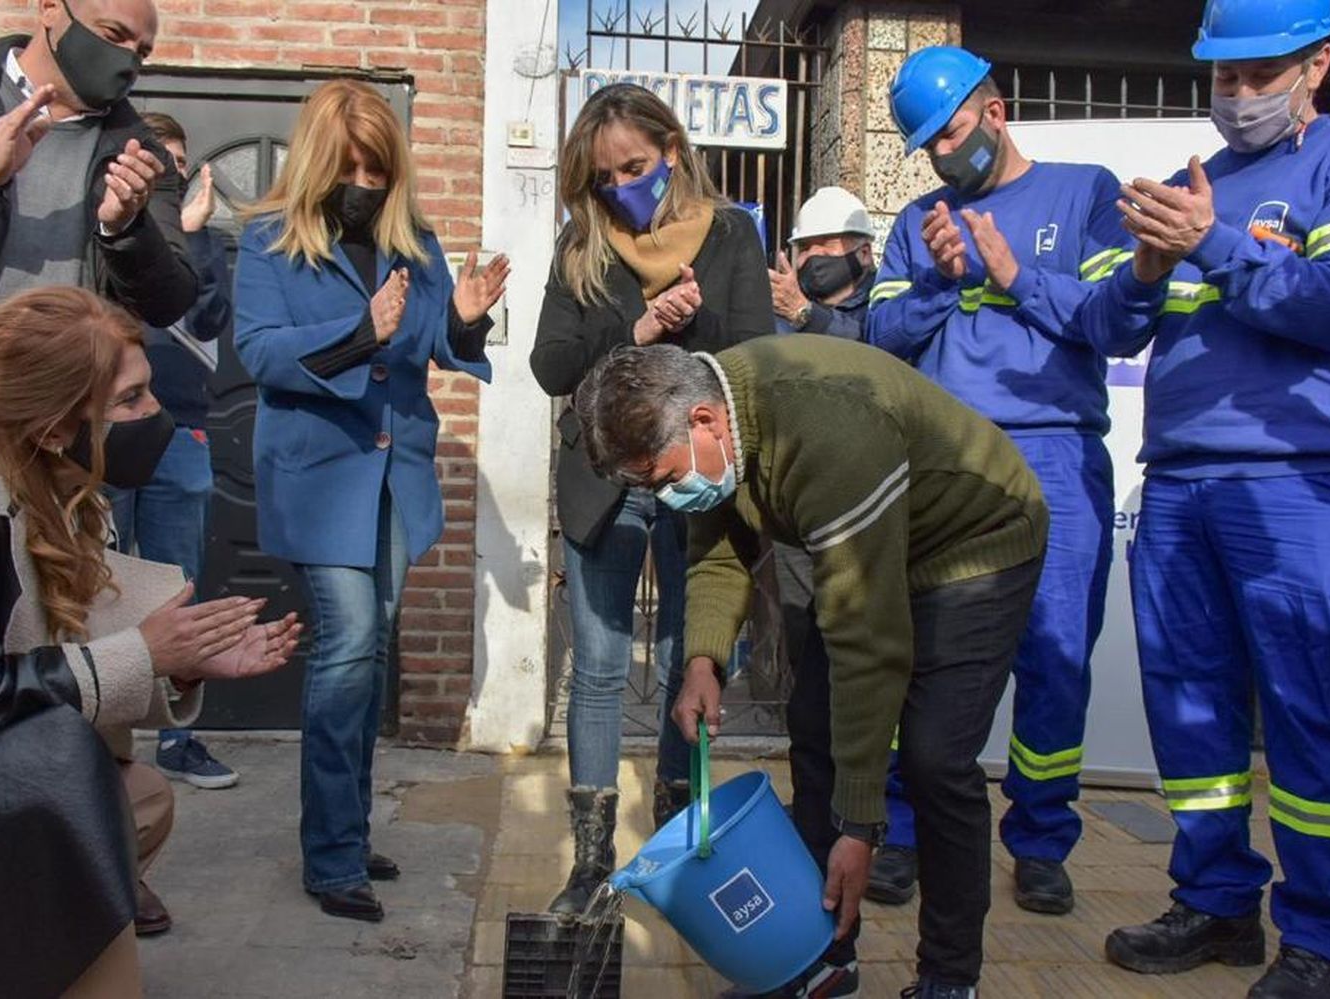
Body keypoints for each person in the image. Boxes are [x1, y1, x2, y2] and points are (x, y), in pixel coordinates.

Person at [573, 335, 1049, 999]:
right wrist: (703, 661)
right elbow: (718, 551)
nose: (668, 497)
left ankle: (949, 975)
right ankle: (823, 957)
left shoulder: (829, 430)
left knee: (935, 756)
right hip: (872, 541)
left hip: (975, 544)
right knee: (813, 725)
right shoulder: (719, 429)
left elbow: (868, 641)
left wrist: (860, 826)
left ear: (704, 420)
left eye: (664, 480)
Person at [0, 285, 299, 997]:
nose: (154, 415)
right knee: (85, 796)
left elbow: (52, 630)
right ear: (51, 423)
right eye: (131, 400)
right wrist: (145, 655)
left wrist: (184, 662)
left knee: (133, 797)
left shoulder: (44, 472)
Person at [1084, 3, 1330, 997]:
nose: (1240, 95)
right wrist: (1147, 269)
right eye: (1224, 77)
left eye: (1263, 74)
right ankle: (1215, 904)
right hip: (1179, 483)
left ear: (1319, 65)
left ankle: (1328, 943)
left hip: (1304, 478)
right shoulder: (1185, 189)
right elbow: (1116, 332)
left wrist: (1212, 245)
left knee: (1306, 711)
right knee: (1193, 710)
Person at [862, 45, 1141, 921]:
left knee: (1055, 657)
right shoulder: (920, 219)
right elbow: (879, 338)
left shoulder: (1085, 190)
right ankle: (904, 830)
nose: (945, 157)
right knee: (925, 655)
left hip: (1056, 455)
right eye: (929, 147)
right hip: (946, 466)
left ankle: (1041, 838)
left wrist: (1013, 277)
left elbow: (1114, 319)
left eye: (951, 134)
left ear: (996, 110)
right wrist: (943, 284)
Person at [235, 78, 507, 924]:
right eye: (348, 165)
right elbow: (259, 353)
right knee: (348, 643)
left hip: (396, 477)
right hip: (320, 481)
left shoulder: (414, 243)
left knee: (369, 653)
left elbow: (429, 344)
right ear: (318, 162)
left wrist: (461, 319)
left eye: (377, 167)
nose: (363, 181)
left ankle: (346, 831)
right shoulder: (267, 245)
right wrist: (361, 334)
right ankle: (331, 855)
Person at [529, 82, 773, 915]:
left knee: (685, 656)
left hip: (693, 476)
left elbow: (753, 359)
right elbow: (550, 366)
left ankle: (675, 834)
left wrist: (690, 332)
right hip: (603, 478)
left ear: (672, 149)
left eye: (635, 166)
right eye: (606, 176)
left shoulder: (731, 233)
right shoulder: (582, 245)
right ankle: (591, 863)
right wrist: (633, 330)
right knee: (598, 670)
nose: (623, 185)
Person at [0, 0, 198, 446]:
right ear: (50, 9)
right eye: (112, 35)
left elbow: (170, 299)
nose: (127, 59)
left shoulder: (141, 153)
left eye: (141, 52)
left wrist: (125, 229)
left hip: (66, 429)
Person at [105, 111, 241, 799]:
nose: (172, 173)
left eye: (179, 162)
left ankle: (179, 741)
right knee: (96, 583)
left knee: (175, 583)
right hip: (100, 433)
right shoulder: (104, 226)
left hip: (180, 430)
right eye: (161, 160)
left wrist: (190, 237)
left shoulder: (202, 240)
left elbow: (209, 319)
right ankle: (101, 736)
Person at [770, 186, 877, 337]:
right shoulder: (783, 308)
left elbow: (873, 347)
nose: (813, 254)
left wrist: (804, 313)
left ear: (864, 253)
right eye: (804, 247)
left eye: (828, 243)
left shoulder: (884, 306)